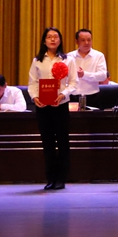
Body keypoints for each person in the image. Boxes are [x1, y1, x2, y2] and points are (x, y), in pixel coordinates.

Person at [27, 27, 78, 190]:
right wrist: (35, 97)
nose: (53, 39)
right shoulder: (37, 61)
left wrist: (63, 94)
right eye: (49, 37)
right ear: (44, 41)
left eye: (56, 37)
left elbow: (73, 82)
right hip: (43, 107)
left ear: (60, 40)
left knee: (63, 142)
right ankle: (51, 178)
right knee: (47, 143)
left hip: (60, 106)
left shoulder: (68, 60)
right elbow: (32, 83)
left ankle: (61, 179)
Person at [67, 28, 108, 99]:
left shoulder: (99, 55)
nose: (86, 43)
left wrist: (84, 74)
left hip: (92, 95)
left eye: (89, 40)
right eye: (83, 40)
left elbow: (103, 75)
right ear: (77, 42)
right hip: (73, 94)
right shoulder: (69, 56)